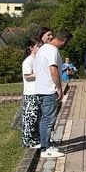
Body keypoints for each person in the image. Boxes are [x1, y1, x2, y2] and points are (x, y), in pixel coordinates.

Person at [34, 29, 69, 158]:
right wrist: (59, 88)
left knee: (45, 118)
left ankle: (46, 143)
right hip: (48, 89)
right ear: (64, 40)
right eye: (66, 43)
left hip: (41, 88)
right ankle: (45, 148)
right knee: (48, 119)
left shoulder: (43, 49)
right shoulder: (52, 50)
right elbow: (53, 69)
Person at [20, 39, 41, 149]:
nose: (39, 48)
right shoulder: (28, 61)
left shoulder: (38, 60)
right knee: (30, 116)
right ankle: (28, 140)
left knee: (37, 116)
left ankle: (36, 138)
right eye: (37, 46)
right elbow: (27, 76)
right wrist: (40, 73)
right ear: (31, 48)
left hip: (38, 91)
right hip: (30, 93)